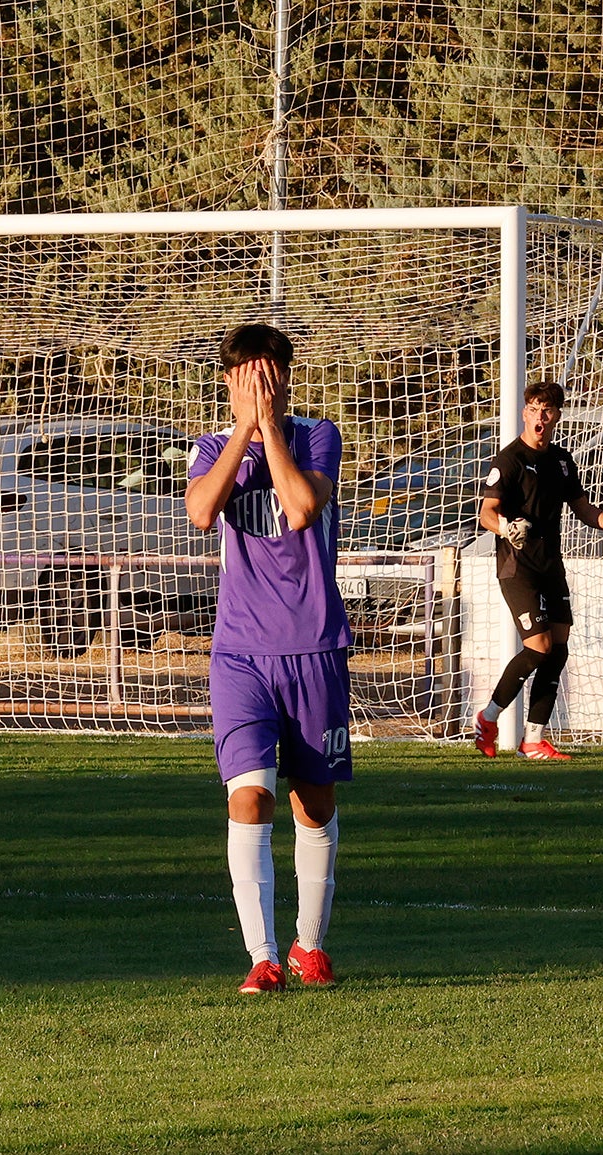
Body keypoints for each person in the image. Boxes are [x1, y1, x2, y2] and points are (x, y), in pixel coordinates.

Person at [184, 322, 348, 995]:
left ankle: (310, 946)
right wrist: (243, 435)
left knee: (313, 803)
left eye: (271, 374)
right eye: (247, 375)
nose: (261, 386)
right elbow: (200, 511)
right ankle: (262, 956)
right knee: (249, 799)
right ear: (227, 381)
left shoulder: (318, 436)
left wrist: (270, 430)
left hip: (314, 647)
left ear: (286, 377)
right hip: (241, 654)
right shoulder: (208, 449)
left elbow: (303, 507)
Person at [473, 379, 603, 759]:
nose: (539, 416)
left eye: (546, 410)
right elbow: (486, 512)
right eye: (533, 408)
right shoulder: (510, 460)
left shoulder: (562, 461)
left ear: (557, 416)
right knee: (539, 647)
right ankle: (488, 718)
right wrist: (505, 527)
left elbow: (583, 510)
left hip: (552, 566)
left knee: (559, 649)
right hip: (517, 567)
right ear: (524, 412)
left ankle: (533, 740)